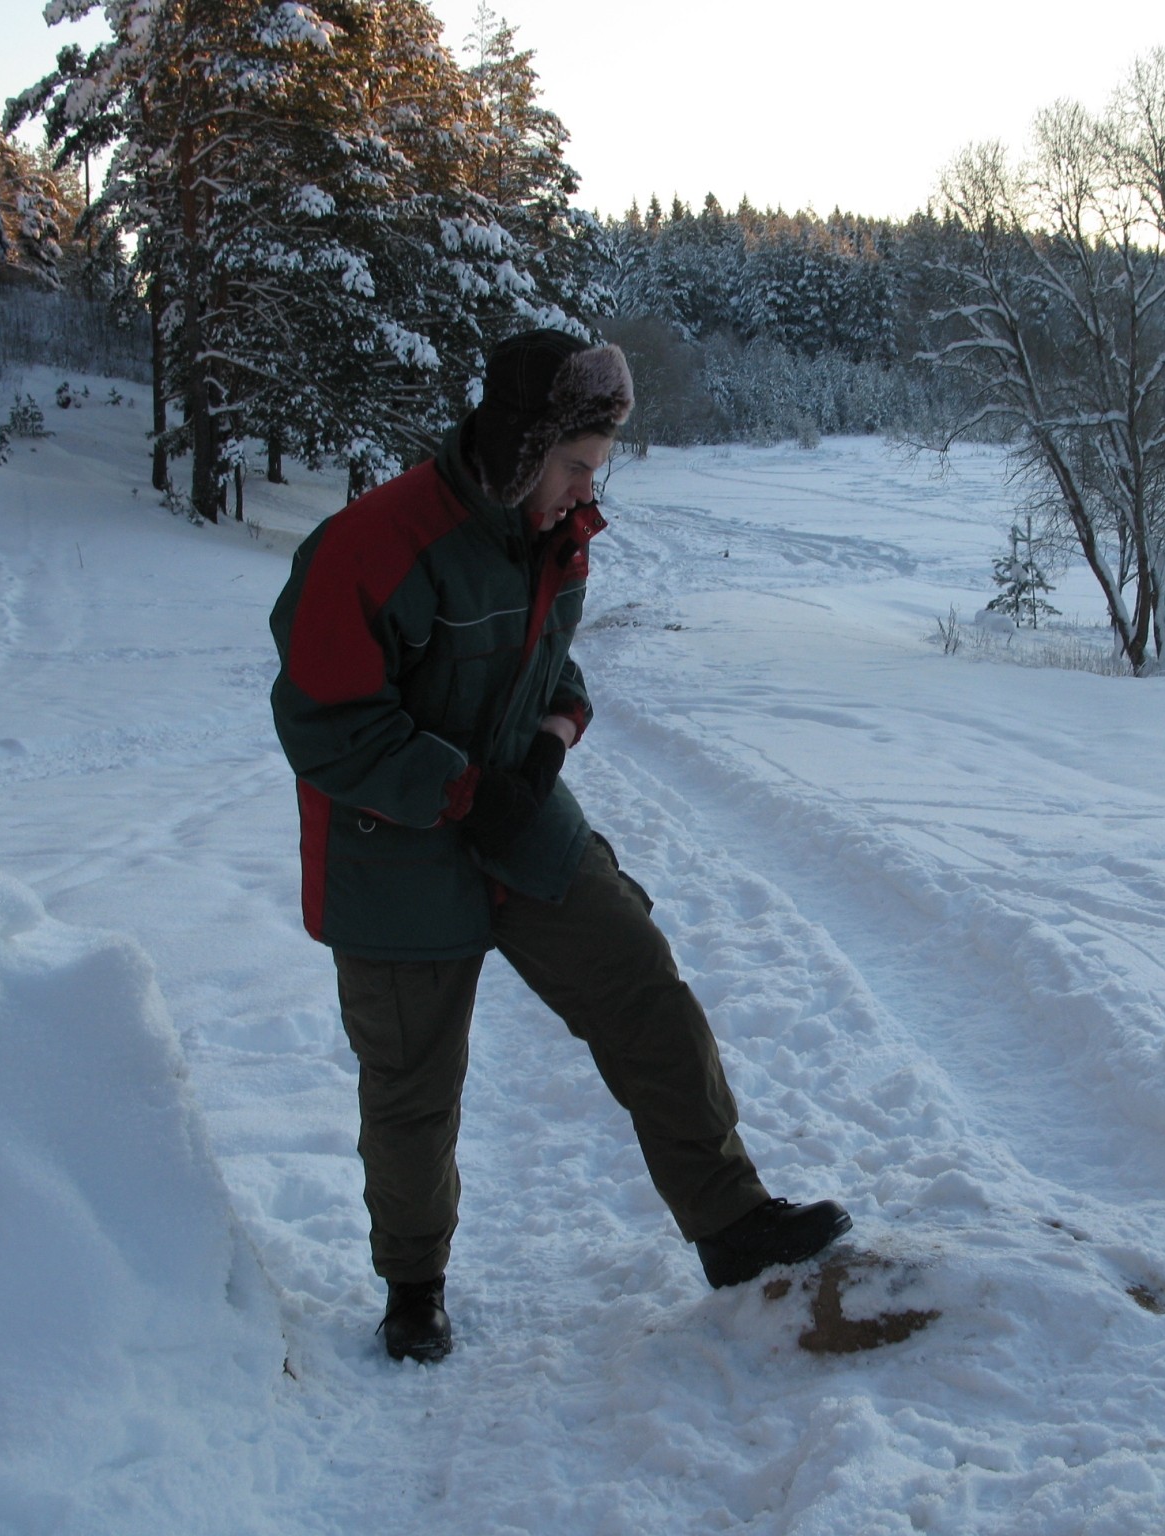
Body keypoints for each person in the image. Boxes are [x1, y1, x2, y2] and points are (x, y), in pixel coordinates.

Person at [268, 329, 851, 1363]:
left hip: (515, 822)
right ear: (517, 445)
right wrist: (457, 789)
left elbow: (552, 673)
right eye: (575, 463)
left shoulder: (552, 532)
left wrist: (546, 744)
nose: (588, 488)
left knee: (641, 986)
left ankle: (730, 1226)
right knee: (411, 1087)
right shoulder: (372, 545)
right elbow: (325, 722)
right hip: (391, 849)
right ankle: (413, 1287)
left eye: (598, 467)